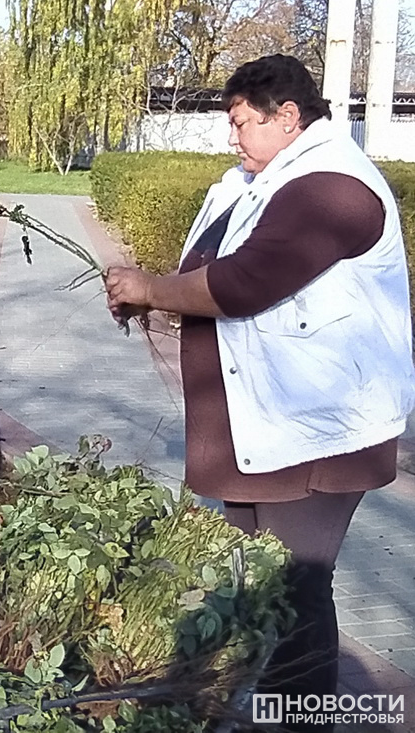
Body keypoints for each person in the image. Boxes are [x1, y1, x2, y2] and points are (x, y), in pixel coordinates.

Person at [105, 55, 415, 732]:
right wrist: (156, 296)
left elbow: (244, 282)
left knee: (295, 591)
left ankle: (300, 720)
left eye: (241, 121)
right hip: (263, 429)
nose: (232, 136)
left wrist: (152, 288)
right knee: (258, 584)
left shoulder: (332, 189)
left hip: (319, 435)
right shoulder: (261, 181)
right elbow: (211, 271)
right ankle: (270, 710)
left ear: (288, 116)